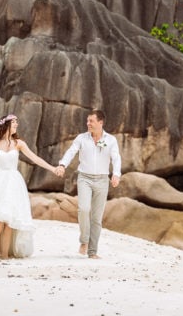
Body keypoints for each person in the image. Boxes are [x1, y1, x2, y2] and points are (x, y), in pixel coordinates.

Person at [0, 114, 59, 259]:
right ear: (6, 125)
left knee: (10, 221)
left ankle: (5, 254)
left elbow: (35, 158)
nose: (16, 125)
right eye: (14, 122)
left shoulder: (19, 143)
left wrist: (53, 168)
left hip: (14, 183)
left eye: (16, 122)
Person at [56, 109, 121, 259]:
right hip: (84, 178)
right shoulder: (82, 138)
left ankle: (92, 252)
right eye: (87, 121)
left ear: (100, 122)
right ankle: (84, 240)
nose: (88, 123)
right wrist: (62, 165)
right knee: (84, 209)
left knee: (97, 218)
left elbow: (116, 158)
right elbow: (71, 151)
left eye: (91, 121)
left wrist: (116, 174)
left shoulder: (111, 140)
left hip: (103, 180)